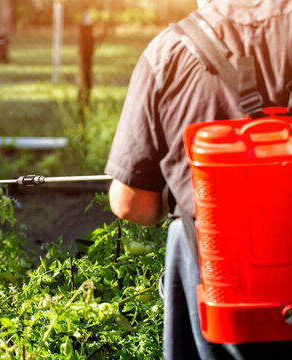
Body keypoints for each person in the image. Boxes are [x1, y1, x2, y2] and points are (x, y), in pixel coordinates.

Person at [104, 0, 292, 359]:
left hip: (220, 285)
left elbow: (131, 205)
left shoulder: (169, 52)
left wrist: (179, 185)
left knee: (182, 232)